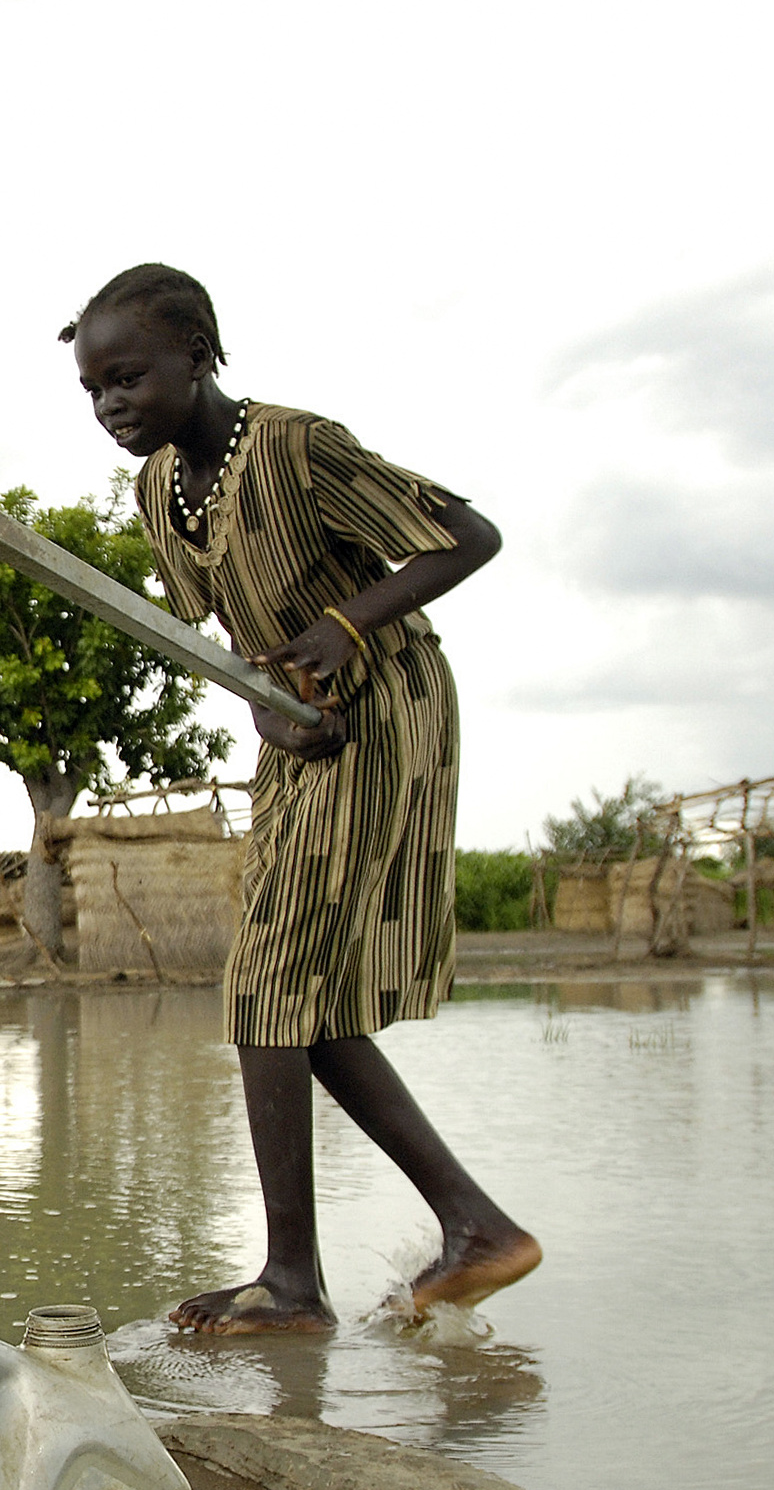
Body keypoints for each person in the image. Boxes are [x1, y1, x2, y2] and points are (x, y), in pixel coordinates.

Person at [63, 263, 538, 1335]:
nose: (112, 406)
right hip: (302, 725)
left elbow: (467, 536)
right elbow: (241, 645)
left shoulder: (296, 447)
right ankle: (468, 1228)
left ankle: (297, 1281)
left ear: (199, 353)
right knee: (286, 1002)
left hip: (386, 708)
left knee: (270, 987)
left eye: (128, 377)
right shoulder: (158, 494)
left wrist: (350, 624)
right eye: (94, 392)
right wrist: (270, 711)